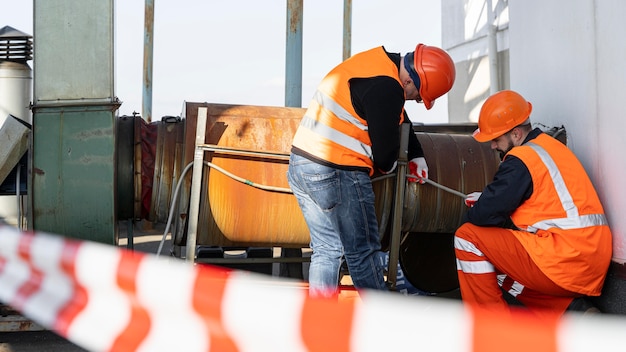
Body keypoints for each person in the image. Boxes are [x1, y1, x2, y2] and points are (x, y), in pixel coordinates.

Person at [287, 44, 456, 297]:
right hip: (338, 170)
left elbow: (397, 114)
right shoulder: (387, 87)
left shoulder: (377, 64)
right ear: (409, 79)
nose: (417, 100)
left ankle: (321, 325)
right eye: (418, 95)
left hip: (302, 164)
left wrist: (417, 153)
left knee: (327, 249)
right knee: (363, 253)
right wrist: (400, 163)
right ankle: (381, 322)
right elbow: (385, 158)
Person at [455, 90, 612, 316]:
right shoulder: (550, 147)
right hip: (590, 260)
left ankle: (493, 333)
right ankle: (574, 312)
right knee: (494, 263)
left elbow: (482, 216)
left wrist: (483, 203)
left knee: (467, 237)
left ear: (516, 134)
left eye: (496, 139)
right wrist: (488, 199)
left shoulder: (521, 159)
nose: (492, 146)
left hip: (566, 259)